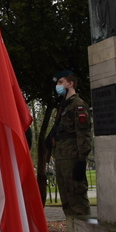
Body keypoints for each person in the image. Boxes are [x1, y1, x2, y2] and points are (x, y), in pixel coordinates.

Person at [46, 69, 92, 216]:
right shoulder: (64, 106)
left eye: (61, 82)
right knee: (66, 200)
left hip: (73, 159)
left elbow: (83, 134)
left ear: (70, 83)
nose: (58, 86)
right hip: (62, 158)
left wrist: (81, 160)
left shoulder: (78, 105)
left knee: (77, 199)